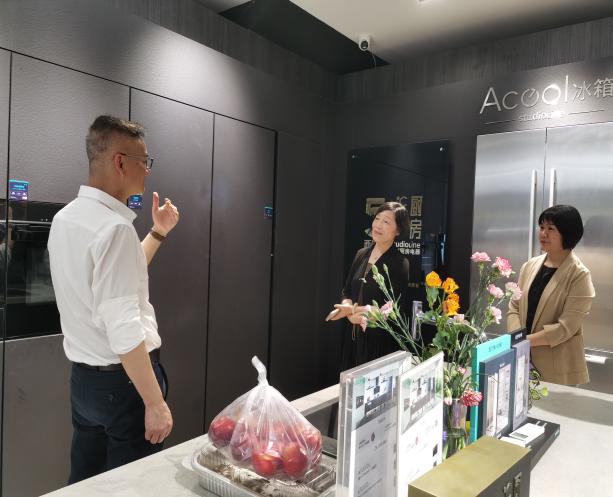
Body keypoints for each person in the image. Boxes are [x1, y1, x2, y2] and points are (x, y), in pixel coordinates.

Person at [48, 115, 179, 483]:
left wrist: (158, 232)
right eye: (144, 160)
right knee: (131, 485)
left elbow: (118, 281)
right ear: (120, 162)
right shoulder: (114, 227)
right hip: (124, 385)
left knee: (85, 482)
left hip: (85, 384)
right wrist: (154, 403)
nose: (147, 170)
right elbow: (123, 327)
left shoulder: (66, 219)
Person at [507, 205, 595, 385]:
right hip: (520, 360)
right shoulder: (529, 266)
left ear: (567, 233)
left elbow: (565, 328)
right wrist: (516, 339)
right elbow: (514, 306)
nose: (543, 234)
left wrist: (524, 341)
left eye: (551, 229)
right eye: (541, 227)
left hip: (556, 368)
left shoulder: (579, 275)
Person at [330, 202, 410, 370]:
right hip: (353, 336)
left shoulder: (400, 263)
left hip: (378, 341)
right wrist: (347, 309)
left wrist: (364, 313)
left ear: (398, 230)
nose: (378, 225)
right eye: (377, 218)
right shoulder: (361, 254)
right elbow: (347, 291)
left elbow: (394, 309)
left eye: (386, 221)